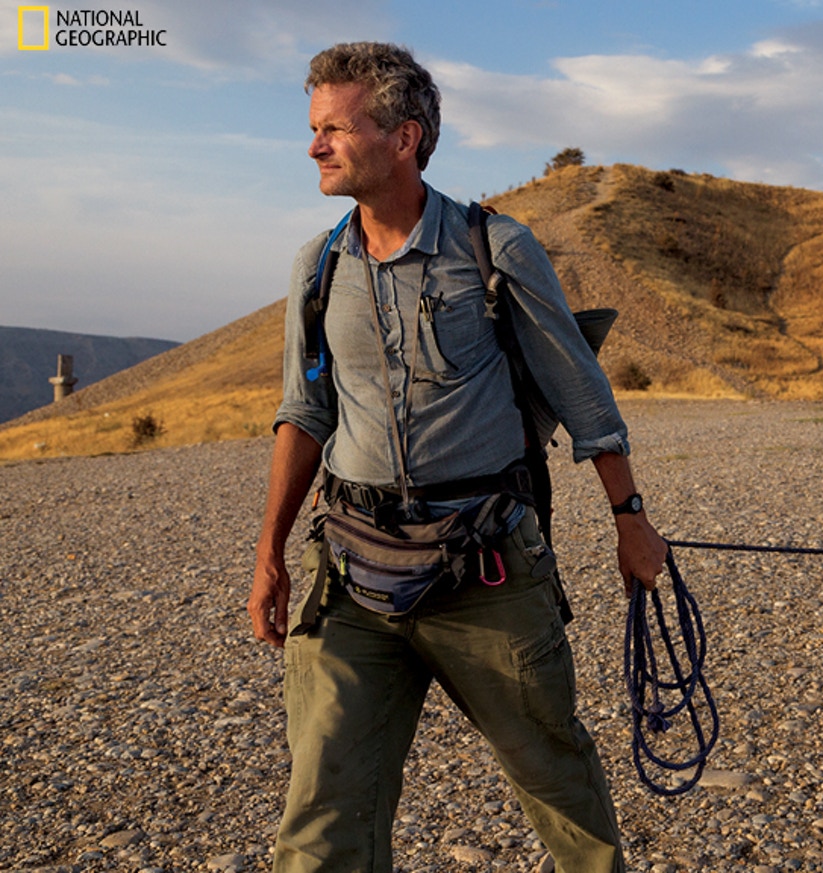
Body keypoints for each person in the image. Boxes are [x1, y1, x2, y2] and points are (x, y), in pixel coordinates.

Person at [246, 41, 665, 873]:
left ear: (404, 137)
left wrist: (631, 522)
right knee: (322, 802)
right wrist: (268, 555)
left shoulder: (496, 249)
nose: (314, 146)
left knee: (556, 779)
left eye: (334, 128)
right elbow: (304, 411)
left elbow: (584, 398)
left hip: (487, 569)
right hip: (351, 568)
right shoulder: (318, 267)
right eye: (313, 128)